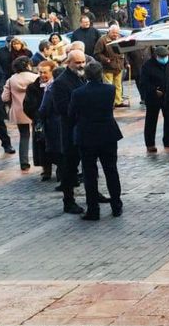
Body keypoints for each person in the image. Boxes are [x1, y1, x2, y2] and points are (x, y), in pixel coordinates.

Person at [70, 62, 124, 220]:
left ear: (85, 75)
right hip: (108, 134)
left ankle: (93, 209)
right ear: (101, 74)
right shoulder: (110, 89)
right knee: (111, 171)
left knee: (89, 174)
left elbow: (71, 113)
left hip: (87, 136)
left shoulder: (78, 93)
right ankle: (116, 206)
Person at [48, 50, 88, 215]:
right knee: (70, 166)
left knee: (88, 164)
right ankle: (68, 200)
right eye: (77, 62)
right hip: (70, 130)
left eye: (83, 62)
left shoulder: (84, 76)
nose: (81, 65)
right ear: (68, 63)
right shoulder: (61, 82)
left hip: (86, 128)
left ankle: (93, 193)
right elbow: (61, 108)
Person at [1, 56, 39, 171]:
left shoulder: (11, 79)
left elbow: (4, 97)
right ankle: (42, 160)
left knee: (24, 135)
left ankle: (24, 162)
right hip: (35, 110)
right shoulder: (35, 77)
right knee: (39, 135)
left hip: (18, 111)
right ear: (28, 65)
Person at [25, 59, 55, 181]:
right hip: (40, 121)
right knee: (41, 146)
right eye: (40, 72)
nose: (42, 75)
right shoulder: (33, 87)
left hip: (54, 121)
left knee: (57, 146)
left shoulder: (57, 85)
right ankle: (46, 169)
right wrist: (37, 116)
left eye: (45, 72)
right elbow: (27, 106)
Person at [94, 25, 127, 107]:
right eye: (113, 33)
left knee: (118, 85)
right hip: (108, 67)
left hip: (119, 66)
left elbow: (124, 51)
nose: (115, 34)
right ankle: (110, 103)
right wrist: (105, 59)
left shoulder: (120, 38)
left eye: (117, 33)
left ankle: (118, 101)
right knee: (108, 86)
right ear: (109, 31)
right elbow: (97, 53)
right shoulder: (102, 40)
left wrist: (126, 62)